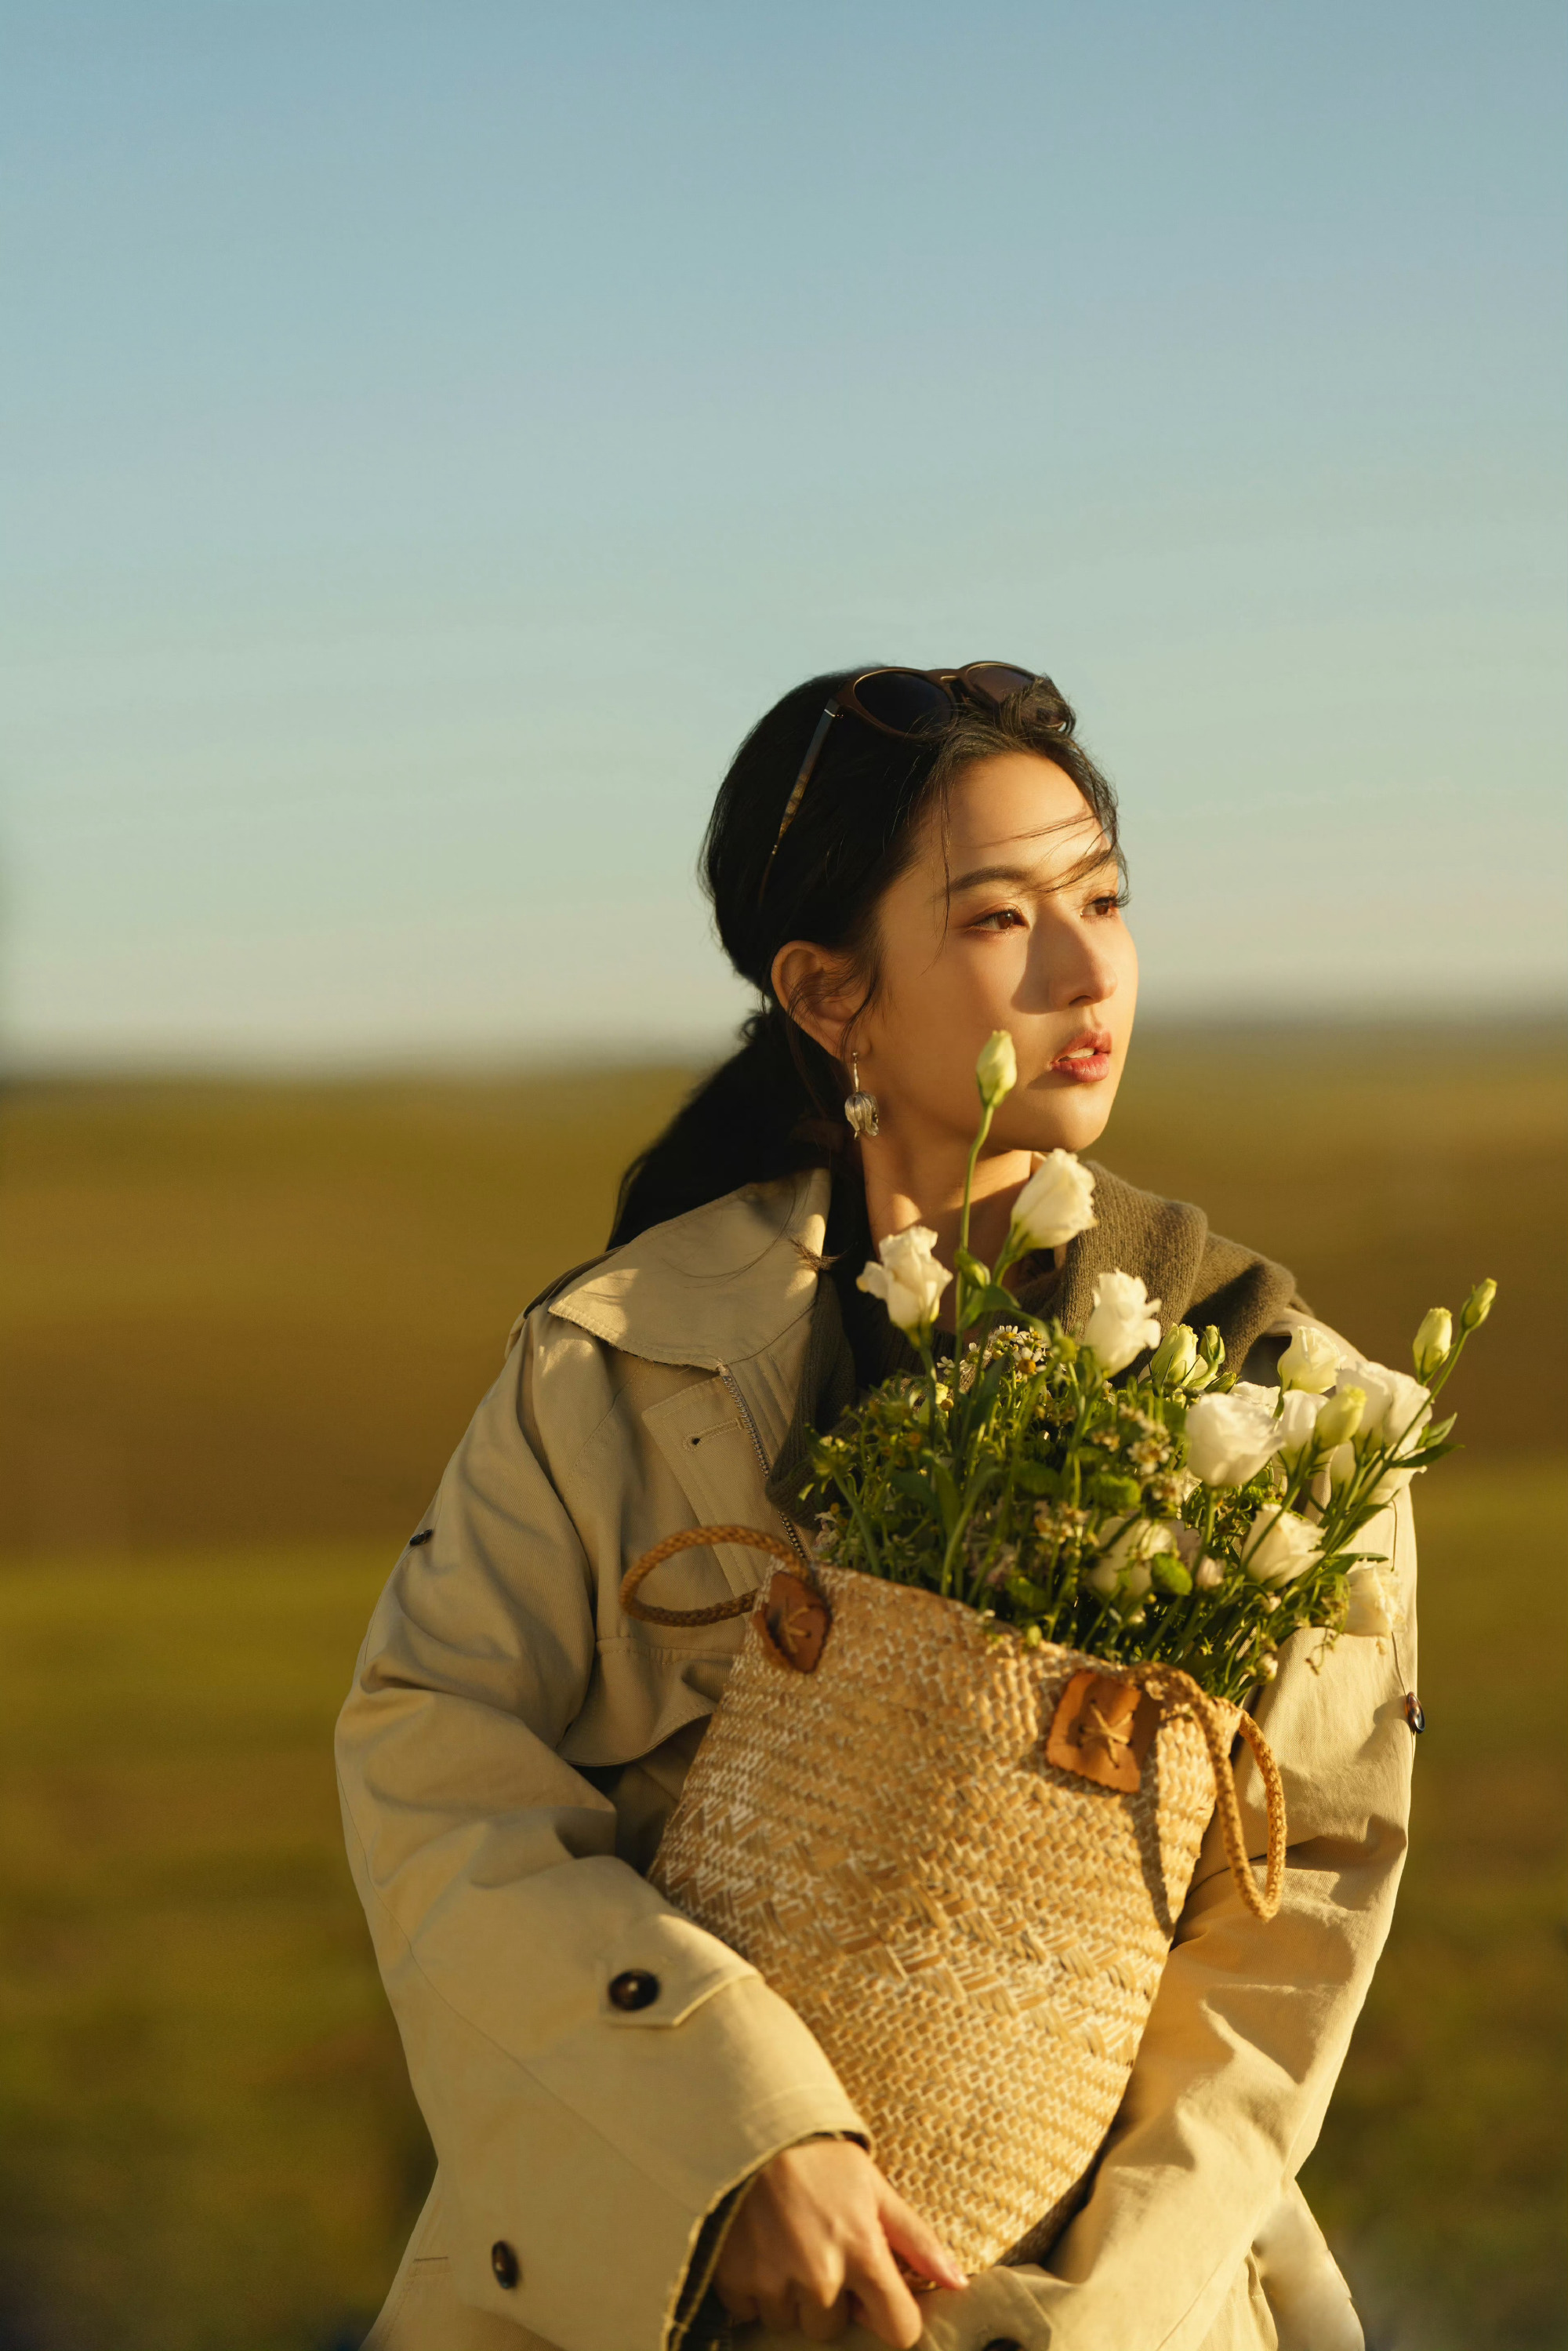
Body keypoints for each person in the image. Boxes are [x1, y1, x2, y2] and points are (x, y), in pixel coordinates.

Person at [337, 666, 1410, 2351]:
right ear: (829, 991)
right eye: (998, 917)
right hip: (649, 2270)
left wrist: (1073, 2315)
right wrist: (738, 2133)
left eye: (1105, 897)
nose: (1085, 969)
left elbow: (1295, 1930)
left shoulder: (1287, 1402)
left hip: (1117, 2297)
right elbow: (431, 1767)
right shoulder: (611, 1361)